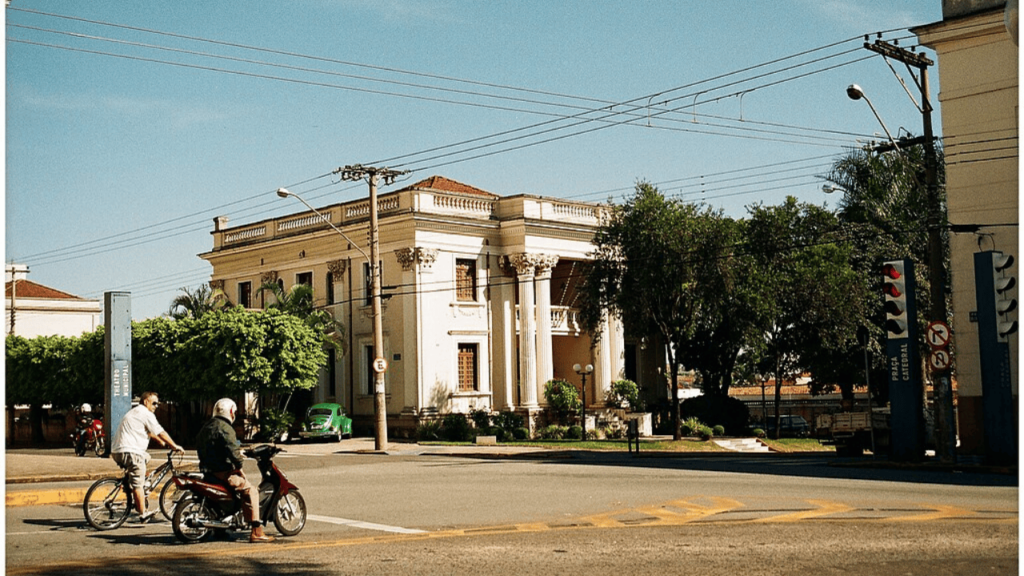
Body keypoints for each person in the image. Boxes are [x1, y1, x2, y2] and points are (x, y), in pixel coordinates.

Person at [196, 398, 274, 543]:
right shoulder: (225, 428)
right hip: (223, 473)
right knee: (252, 491)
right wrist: (239, 467)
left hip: (208, 472)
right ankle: (257, 531)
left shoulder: (206, 427)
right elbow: (233, 452)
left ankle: (220, 529)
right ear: (231, 412)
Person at [110, 392, 184, 522]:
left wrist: (159, 441)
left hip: (117, 451)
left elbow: (148, 431)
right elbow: (160, 431)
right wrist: (174, 445)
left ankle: (132, 485)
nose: (156, 406)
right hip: (131, 452)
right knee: (138, 482)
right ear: (145, 402)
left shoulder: (134, 412)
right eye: (154, 403)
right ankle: (143, 513)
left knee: (146, 457)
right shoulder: (146, 414)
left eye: (158, 403)